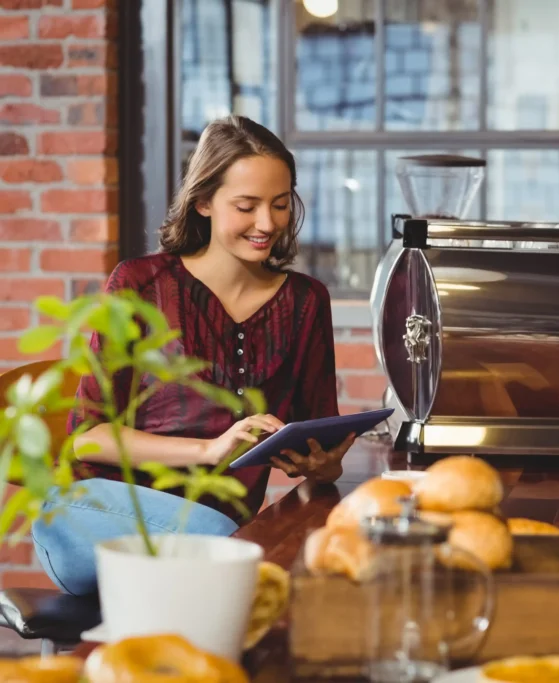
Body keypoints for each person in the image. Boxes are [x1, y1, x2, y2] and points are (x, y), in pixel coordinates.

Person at [31, 115, 351, 595]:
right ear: (202, 201)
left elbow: (320, 438)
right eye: (247, 206)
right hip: (96, 514)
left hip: (219, 533)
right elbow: (87, 439)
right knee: (238, 557)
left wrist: (322, 465)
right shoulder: (139, 284)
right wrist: (210, 449)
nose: (267, 223)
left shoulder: (305, 301)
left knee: (262, 550)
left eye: (280, 205)